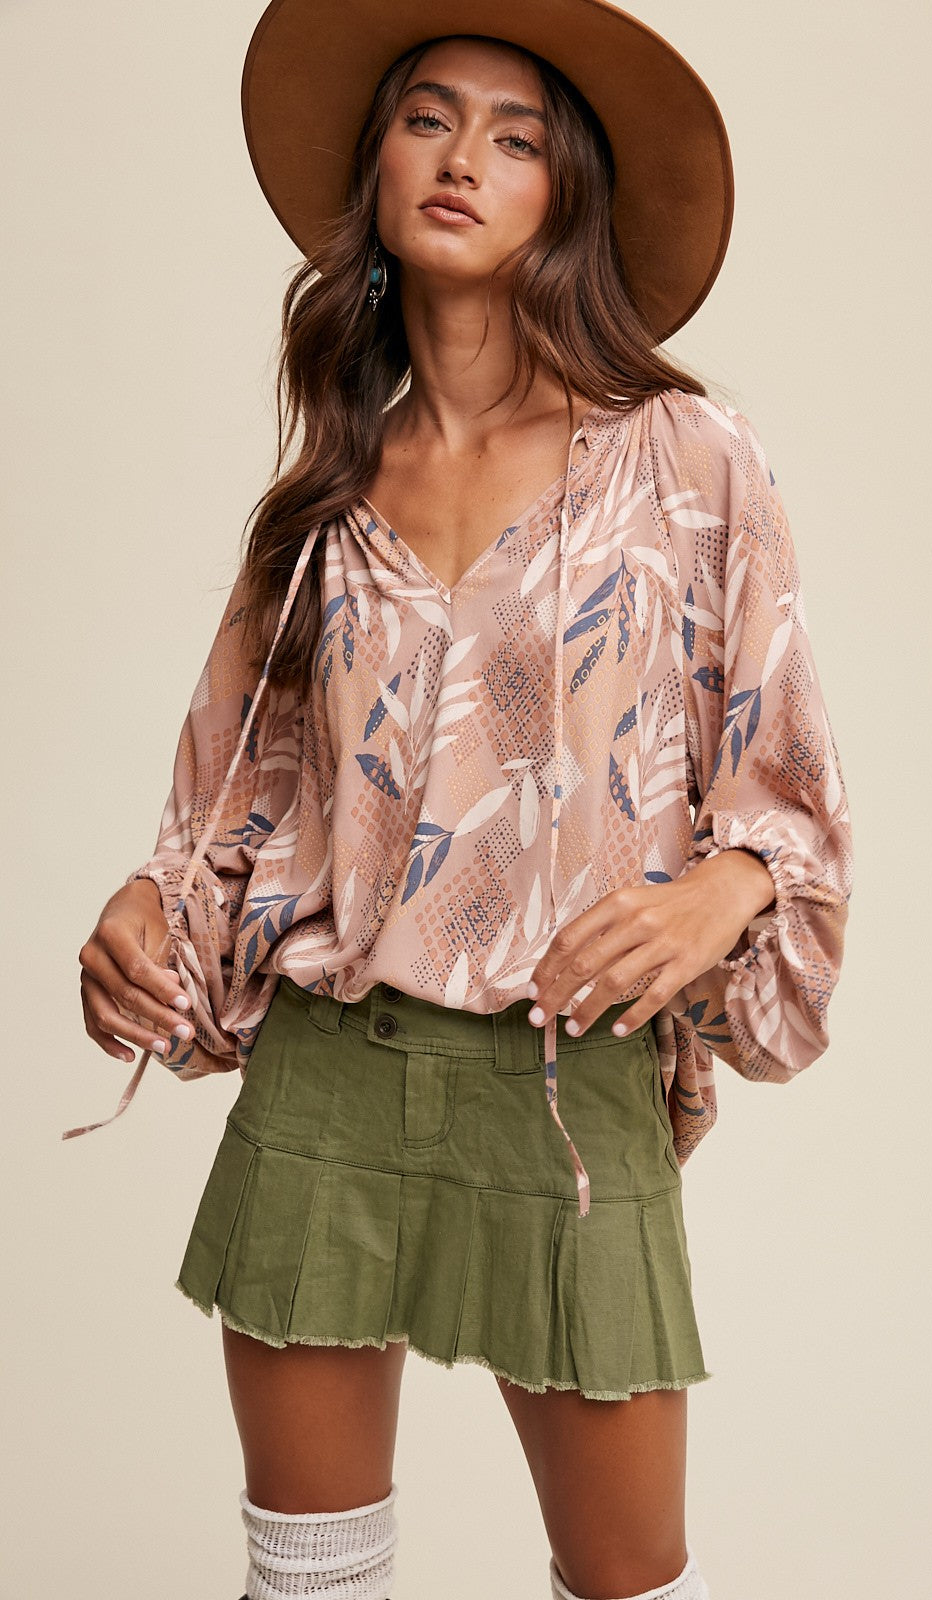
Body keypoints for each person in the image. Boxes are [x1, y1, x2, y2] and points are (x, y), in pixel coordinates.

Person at [68, 4, 853, 1598]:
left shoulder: (687, 459)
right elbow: (225, 817)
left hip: (568, 1090)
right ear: (379, 165)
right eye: (430, 119)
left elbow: (792, 790)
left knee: (629, 1580)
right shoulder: (324, 500)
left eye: (517, 137)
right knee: (308, 1579)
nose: (464, 159)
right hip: (329, 1078)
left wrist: (723, 889)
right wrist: (144, 914)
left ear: (566, 194)